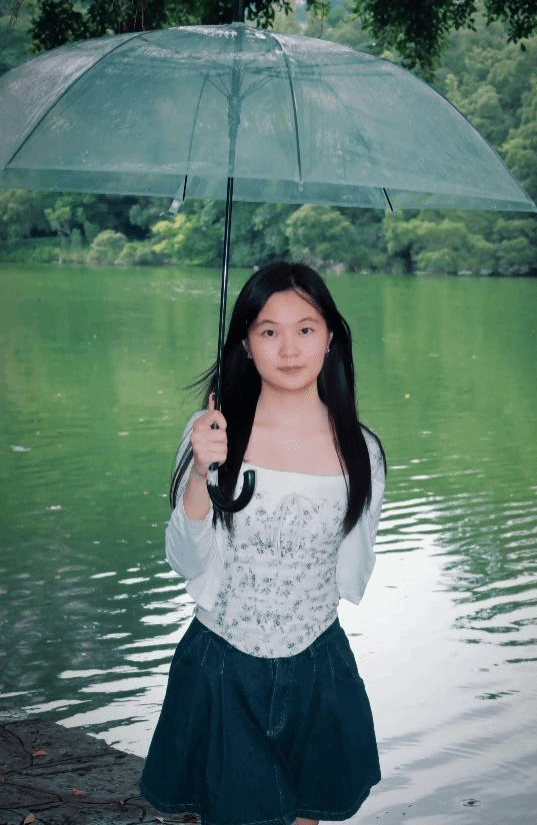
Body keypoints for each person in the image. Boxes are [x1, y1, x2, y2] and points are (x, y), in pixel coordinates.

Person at [140, 261, 386, 825]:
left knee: (304, 817)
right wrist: (200, 471)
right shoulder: (214, 436)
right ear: (246, 344)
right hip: (222, 665)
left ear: (330, 337)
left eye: (306, 328)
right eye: (269, 331)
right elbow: (185, 560)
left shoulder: (362, 450)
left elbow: (351, 570)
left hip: (318, 665)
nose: (289, 349)